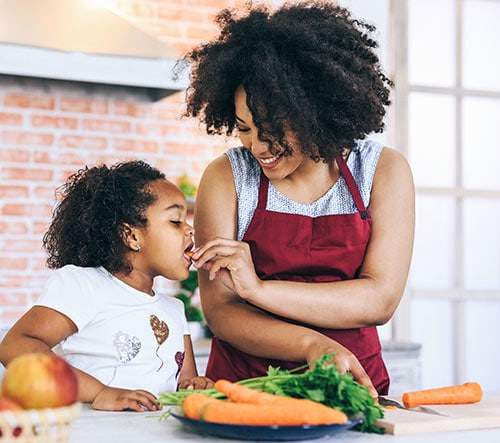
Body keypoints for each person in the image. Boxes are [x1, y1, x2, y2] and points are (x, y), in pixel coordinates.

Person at [183, 1, 415, 397]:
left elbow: (379, 299)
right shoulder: (226, 177)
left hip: (350, 388)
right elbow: (221, 311)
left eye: (272, 130)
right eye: (244, 127)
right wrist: (312, 344)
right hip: (244, 391)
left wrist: (257, 290)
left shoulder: (383, 171)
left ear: (315, 113)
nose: (258, 146)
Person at [0, 160, 213, 411]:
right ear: (131, 236)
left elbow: (183, 383)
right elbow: (15, 346)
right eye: (176, 221)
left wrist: (194, 386)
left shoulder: (174, 309)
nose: (190, 231)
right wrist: (99, 392)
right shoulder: (84, 285)